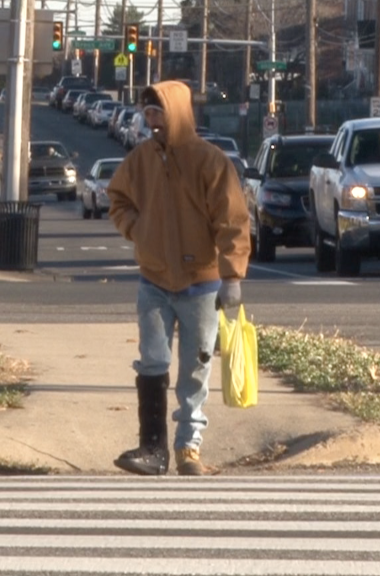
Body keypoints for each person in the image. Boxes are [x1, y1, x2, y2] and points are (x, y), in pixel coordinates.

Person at [105, 81, 251, 476]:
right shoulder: (141, 160)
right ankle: (152, 448)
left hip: (201, 285)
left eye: (159, 114)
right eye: (148, 114)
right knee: (152, 360)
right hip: (153, 280)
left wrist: (232, 277)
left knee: (195, 367)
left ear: (179, 114)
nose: (152, 122)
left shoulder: (210, 161)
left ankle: (189, 447)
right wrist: (139, 230)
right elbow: (117, 198)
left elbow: (233, 221)